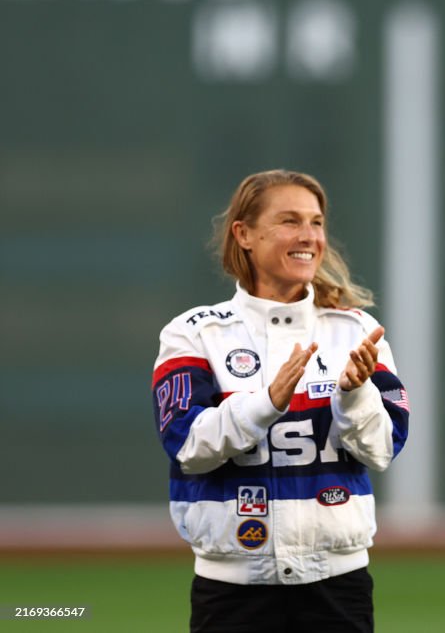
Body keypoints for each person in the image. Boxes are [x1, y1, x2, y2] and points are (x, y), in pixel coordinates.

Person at [151, 169, 410, 633]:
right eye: (290, 221)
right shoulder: (194, 333)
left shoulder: (354, 331)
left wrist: (353, 395)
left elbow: (383, 448)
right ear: (244, 234)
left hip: (338, 585)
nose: (308, 235)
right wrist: (266, 402)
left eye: (315, 222)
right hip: (230, 589)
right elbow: (187, 445)